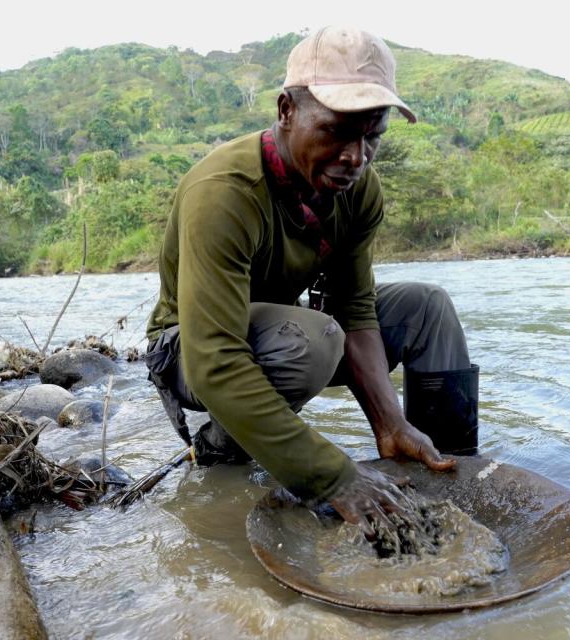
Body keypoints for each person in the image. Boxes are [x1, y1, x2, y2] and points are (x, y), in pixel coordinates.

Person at [145, 26, 478, 534]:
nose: (355, 157)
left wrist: (387, 422)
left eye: (372, 137)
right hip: (190, 350)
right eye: (337, 131)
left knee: (425, 307)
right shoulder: (224, 193)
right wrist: (336, 478)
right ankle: (220, 448)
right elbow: (215, 360)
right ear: (286, 111)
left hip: (284, 332)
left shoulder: (358, 188)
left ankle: (449, 473)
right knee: (313, 341)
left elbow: (355, 307)